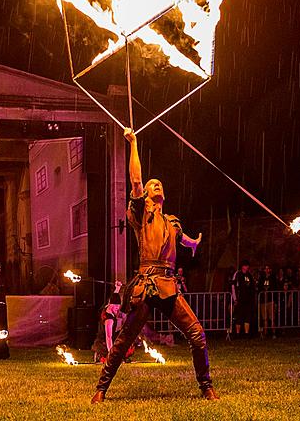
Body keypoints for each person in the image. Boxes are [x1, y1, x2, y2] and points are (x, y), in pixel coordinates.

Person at [92, 129, 218, 403]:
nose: (156, 185)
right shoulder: (141, 212)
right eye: (152, 184)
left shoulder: (172, 221)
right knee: (125, 339)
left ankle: (206, 387)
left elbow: (181, 239)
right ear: (145, 195)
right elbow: (135, 178)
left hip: (169, 285)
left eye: (160, 184)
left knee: (197, 335)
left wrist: (193, 244)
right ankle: (101, 389)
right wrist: (133, 143)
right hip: (146, 284)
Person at [231, 260, 255, 337]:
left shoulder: (249, 275)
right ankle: (238, 334)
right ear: (242, 266)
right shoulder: (237, 274)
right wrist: (235, 299)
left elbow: (252, 287)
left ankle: (246, 334)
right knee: (239, 316)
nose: (247, 267)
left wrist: (252, 298)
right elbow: (233, 287)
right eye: (246, 265)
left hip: (248, 300)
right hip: (239, 299)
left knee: (247, 316)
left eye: (248, 266)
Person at [258, 265, 276, 337]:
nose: (267, 270)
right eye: (265, 269)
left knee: (272, 318)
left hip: (270, 300)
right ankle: (265, 333)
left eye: (268, 268)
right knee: (264, 318)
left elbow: (275, 287)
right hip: (263, 301)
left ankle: (273, 332)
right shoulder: (261, 278)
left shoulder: (272, 278)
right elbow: (259, 287)